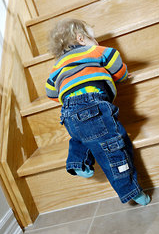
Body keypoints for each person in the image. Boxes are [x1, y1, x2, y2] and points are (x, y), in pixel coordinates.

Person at [46, 19, 150, 206]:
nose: (96, 42)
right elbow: (115, 61)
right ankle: (133, 191)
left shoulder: (56, 68)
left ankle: (78, 163)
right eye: (93, 38)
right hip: (93, 105)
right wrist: (123, 76)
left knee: (80, 137)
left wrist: (68, 95)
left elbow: (50, 92)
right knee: (115, 147)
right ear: (81, 39)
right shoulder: (95, 51)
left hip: (67, 111)